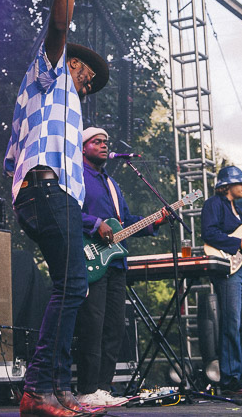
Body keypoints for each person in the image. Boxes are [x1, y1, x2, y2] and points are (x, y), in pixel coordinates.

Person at [4, 0, 110, 417]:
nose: (86, 79)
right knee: (72, 284)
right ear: (65, 62)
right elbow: (60, 24)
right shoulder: (47, 75)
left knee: (73, 284)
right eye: (82, 69)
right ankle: (37, 389)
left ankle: (60, 390)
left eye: (91, 81)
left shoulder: (72, 107)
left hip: (51, 194)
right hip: (43, 191)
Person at [74, 127, 165, 408]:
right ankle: (86, 388)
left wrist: (155, 221)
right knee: (94, 324)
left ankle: (103, 388)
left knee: (114, 326)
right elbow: (67, 210)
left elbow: (123, 222)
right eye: (96, 142)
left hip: (116, 263)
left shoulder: (112, 184)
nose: (103, 145)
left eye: (105, 142)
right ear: (83, 147)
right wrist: (94, 224)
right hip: (91, 260)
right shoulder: (76, 176)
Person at [200, 165, 242, 394]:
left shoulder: (241, 211)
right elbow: (209, 233)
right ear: (226, 186)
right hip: (227, 271)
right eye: (240, 183)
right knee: (231, 324)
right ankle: (230, 380)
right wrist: (237, 243)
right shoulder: (213, 205)